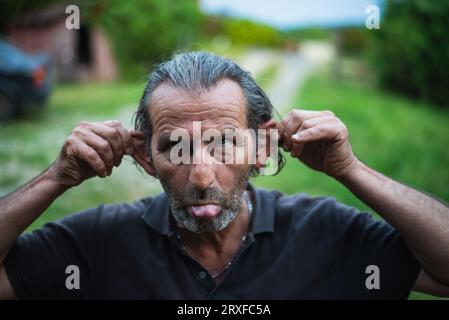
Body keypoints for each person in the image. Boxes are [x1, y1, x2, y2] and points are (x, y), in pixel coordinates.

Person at [0, 51, 448, 299]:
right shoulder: (99, 244)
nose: (200, 176)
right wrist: (55, 179)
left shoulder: (326, 233)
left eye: (224, 143)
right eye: (175, 147)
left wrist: (350, 170)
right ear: (143, 156)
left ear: (262, 148)